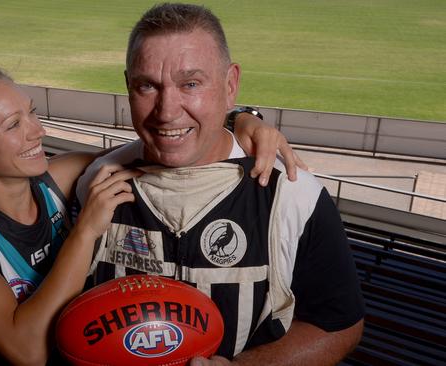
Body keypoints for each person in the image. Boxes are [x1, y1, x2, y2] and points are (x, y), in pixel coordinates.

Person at [0, 64, 302, 365]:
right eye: (13, 125)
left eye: (31, 113)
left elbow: (164, 145)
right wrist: (85, 231)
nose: (37, 131)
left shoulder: (54, 179)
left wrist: (238, 119)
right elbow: (26, 350)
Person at [75, 3, 365, 365]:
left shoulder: (293, 195)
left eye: (191, 83)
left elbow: (339, 324)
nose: (167, 111)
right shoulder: (97, 181)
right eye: (147, 85)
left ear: (230, 86)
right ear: (128, 88)